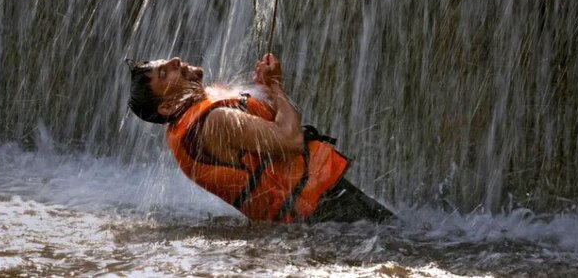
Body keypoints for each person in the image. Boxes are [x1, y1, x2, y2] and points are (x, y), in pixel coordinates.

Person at [126, 53, 393, 223]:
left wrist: (266, 89)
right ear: (168, 107)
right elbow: (290, 140)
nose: (174, 61)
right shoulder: (216, 121)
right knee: (399, 240)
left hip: (307, 216)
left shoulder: (194, 124)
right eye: (164, 73)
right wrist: (276, 86)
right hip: (325, 210)